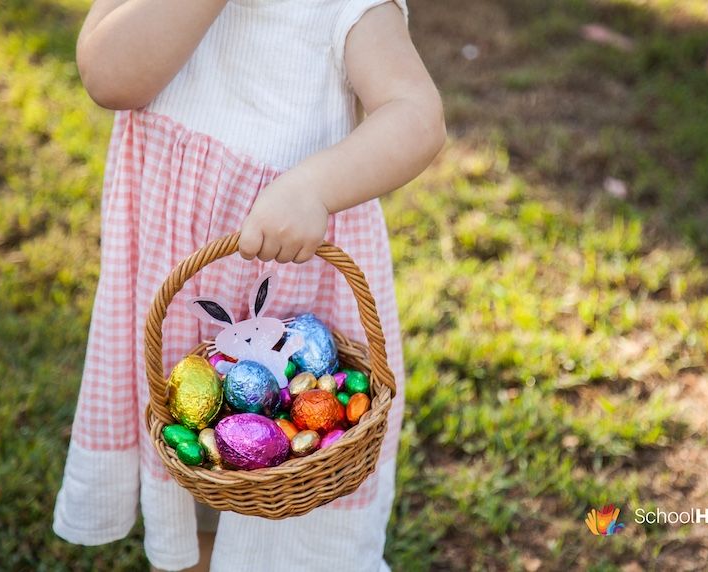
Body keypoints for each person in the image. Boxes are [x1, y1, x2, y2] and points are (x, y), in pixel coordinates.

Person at [51, 0, 445, 571]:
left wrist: (314, 187)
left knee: (275, 499)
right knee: (192, 478)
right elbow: (110, 77)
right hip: (177, 276)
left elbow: (415, 113)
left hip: (286, 285)